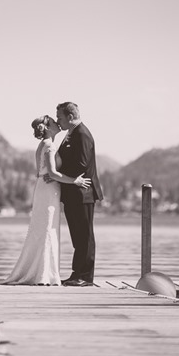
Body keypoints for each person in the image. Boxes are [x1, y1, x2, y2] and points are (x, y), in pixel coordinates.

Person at [0, 115, 91, 286]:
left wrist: (52, 176)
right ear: (48, 128)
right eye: (54, 122)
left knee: (44, 227)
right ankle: (44, 274)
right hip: (48, 190)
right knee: (47, 228)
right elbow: (51, 173)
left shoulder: (44, 144)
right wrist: (75, 180)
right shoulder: (49, 145)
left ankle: (41, 271)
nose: (58, 123)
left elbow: (44, 173)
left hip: (45, 188)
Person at [56, 102, 103, 287]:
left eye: (60, 117)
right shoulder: (71, 133)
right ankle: (76, 274)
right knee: (77, 237)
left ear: (70, 117)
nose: (58, 120)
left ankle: (85, 277)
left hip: (84, 192)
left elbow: (81, 164)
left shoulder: (82, 134)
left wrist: (57, 176)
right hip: (73, 193)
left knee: (85, 236)